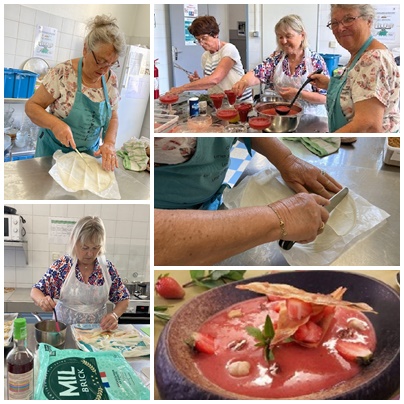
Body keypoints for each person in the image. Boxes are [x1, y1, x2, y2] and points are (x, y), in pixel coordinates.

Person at [154, 137, 342, 266]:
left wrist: (285, 158)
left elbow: (237, 124)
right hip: (173, 229)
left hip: (208, 204)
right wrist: (281, 216)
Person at [25, 15, 126, 171]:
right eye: (100, 61)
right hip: (52, 154)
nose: (104, 70)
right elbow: (31, 107)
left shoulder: (111, 79)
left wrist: (109, 143)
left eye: (111, 64)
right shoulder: (63, 73)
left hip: (85, 157)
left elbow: (113, 115)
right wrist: (55, 124)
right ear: (85, 49)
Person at [310, 4, 400, 133]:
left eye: (348, 19)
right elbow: (359, 90)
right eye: (335, 23)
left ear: (368, 21)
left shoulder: (373, 59)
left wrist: (326, 141)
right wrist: (329, 84)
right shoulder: (359, 55)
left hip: (363, 145)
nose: (340, 28)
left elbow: (368, 125)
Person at [30, 216, 129, 330]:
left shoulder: (107, 269)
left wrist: (114, 315)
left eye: (95, 248)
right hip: (64, 332)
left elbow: (123, 299)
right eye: (85, 248)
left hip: (97, 335)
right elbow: (36, 290)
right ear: (74, 241)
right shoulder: (62, 266)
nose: (90, 254)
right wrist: (42, 300)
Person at [232, 14, 329, 116]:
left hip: (311, 119)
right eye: (280, 37)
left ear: (302, 36)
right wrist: (244, 82)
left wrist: (298, 93)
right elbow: (258, 74)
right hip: (282, 118)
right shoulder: (276, 57)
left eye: (288, 36)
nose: (284, 41)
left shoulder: (315, 61)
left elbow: (325, 98)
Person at [168, 15, 252, 102]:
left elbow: (215, 79)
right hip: (221, 103)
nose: (201, 43)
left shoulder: (228, 49)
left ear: (215, 34)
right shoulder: (205, 56)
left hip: (240, 102)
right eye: (198, 40)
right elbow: (211, 85)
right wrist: (199, 82)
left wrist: (182, 88)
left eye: (204, 38)